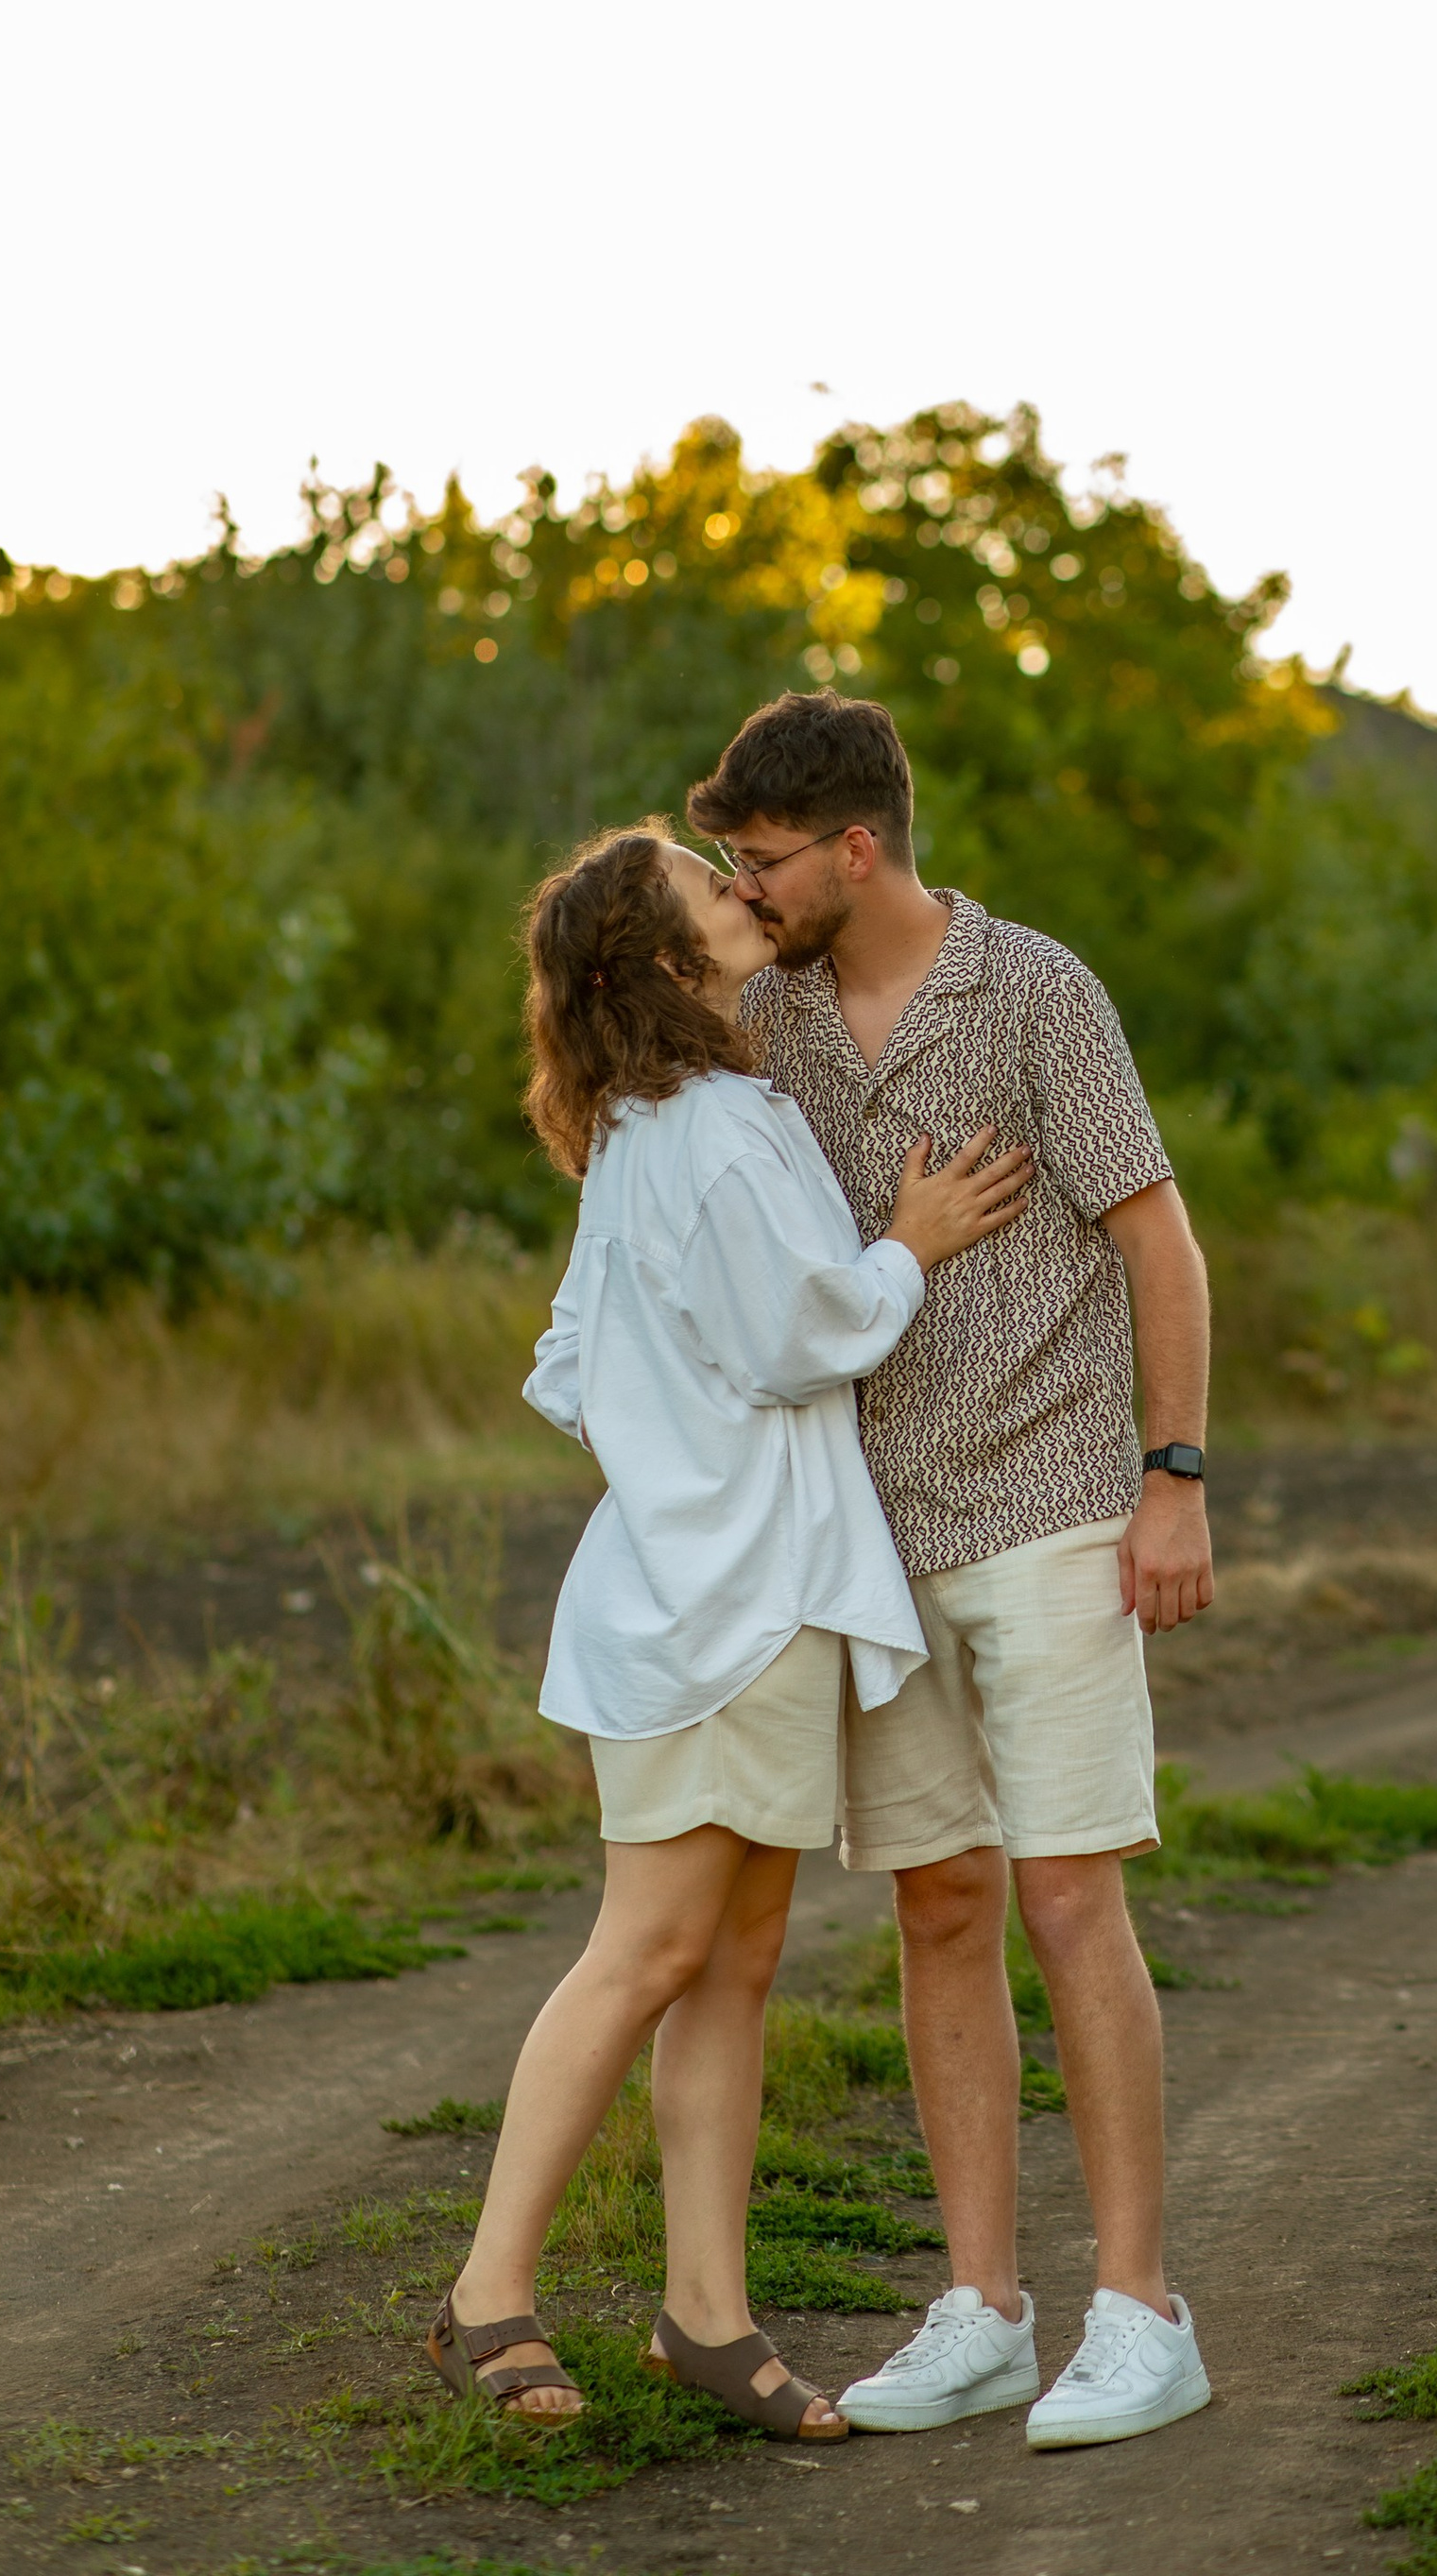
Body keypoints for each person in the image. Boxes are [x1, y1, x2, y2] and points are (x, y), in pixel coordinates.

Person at [427, 818, 1029, 2438]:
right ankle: (489, 2289)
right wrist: (905, 1247)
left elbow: (573, 1360)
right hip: (717, 1603)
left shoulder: (654, 1128)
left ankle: (707, 2315)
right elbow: (791, 1336)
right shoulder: (713, 1127)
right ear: (666, 960)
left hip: (738, 1586)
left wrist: (667, 1438)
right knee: (653, 1951)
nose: (742, 889)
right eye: (711, 886)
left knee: (735, 1964)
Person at [686, 690, 1217, 2449]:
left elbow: (1160, 1237)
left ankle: (1142, 2310)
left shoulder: (1038, 991)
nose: (744, 894)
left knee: (1071, 1897)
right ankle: (983, 2307)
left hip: (1060, 1502)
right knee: (938, 1905)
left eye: (762, 864)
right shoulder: (765, 1019)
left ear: (858, 844)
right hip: (874, 1539)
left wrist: (1175, 1481)